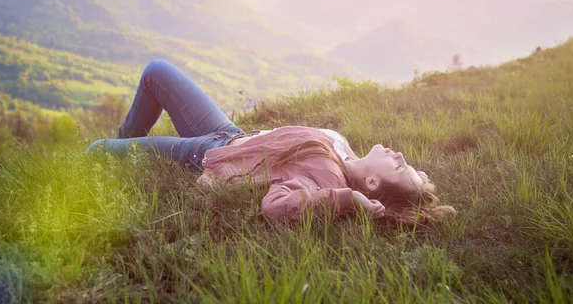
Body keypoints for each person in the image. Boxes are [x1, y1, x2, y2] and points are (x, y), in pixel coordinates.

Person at [87, 60, 455, 224]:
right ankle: (131, 150)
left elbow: (276, 206)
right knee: (156, 73)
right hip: (231, 134)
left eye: (401, 166)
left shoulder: (328, 180)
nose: (401, 154)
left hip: (207, 154)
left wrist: (347, 200)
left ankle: (120, 156)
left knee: (95, 152)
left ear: (372, 184)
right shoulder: (345, 153)